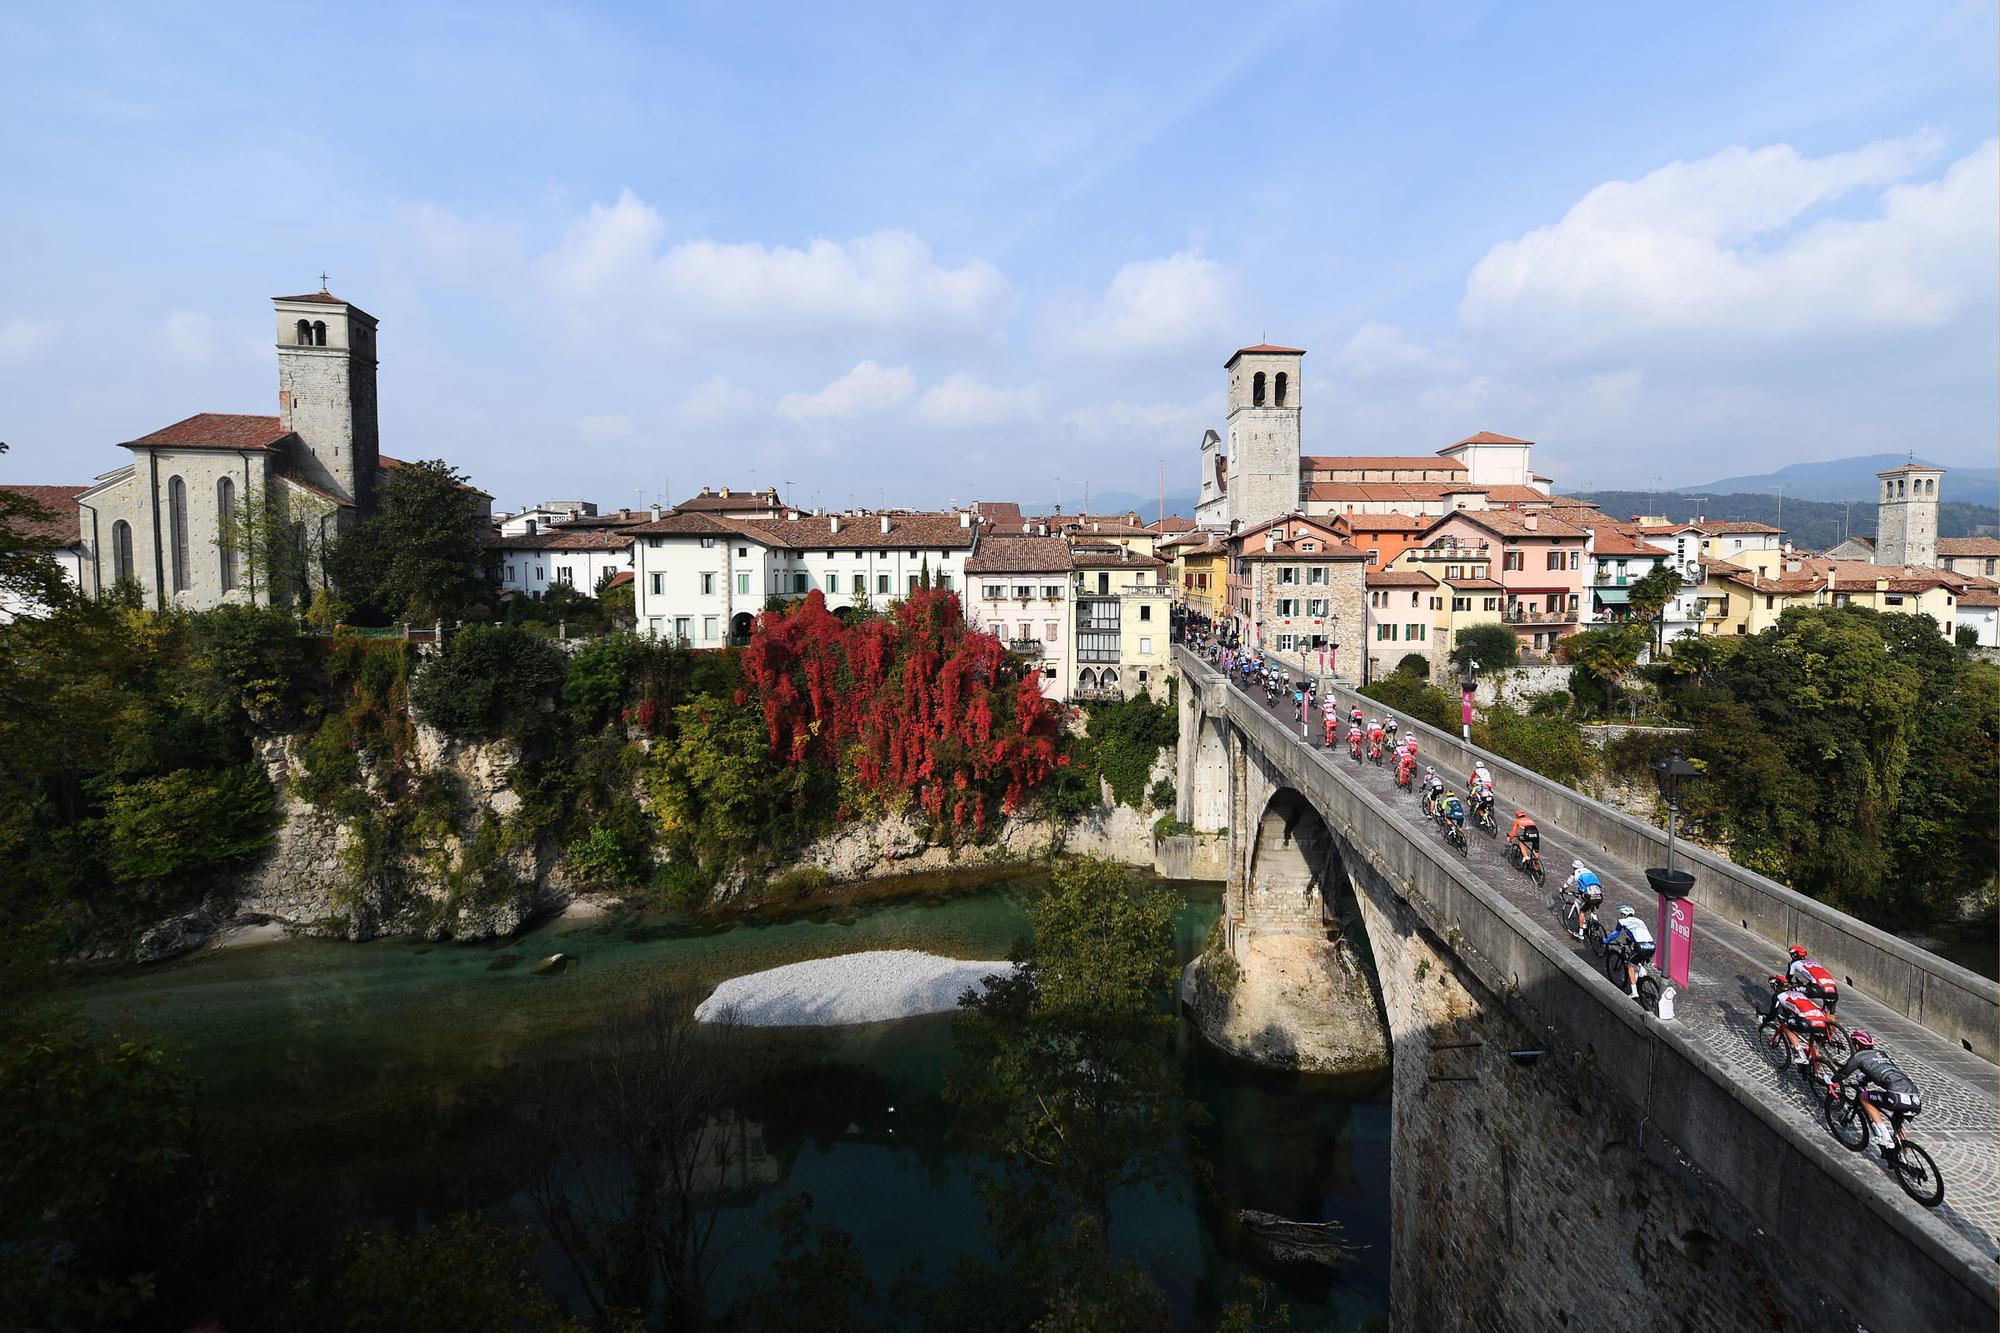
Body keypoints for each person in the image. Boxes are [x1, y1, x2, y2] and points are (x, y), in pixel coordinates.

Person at [1829, 1032, 1922, 1151]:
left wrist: (1831, 1080)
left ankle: (1885, 1137)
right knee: (1897, 1124)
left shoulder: (1859, 1056)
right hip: (1915, 1098)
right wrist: (1865, 1079)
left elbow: (1843, 1073)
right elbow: (1880, 1069)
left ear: (1857, 1045)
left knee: (1864, 1097)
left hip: (1897, 1096)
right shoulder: (1881, 1054)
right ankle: (1901, 1159)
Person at [1761, 975, 1831, 1066]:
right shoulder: (1799, 993)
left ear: (1775, 986)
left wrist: (1765, 1020)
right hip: (1822, 1020)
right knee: (1813, 1046)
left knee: (1785, 1026)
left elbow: (1773, 1014)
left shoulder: (1778, 995)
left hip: (1806, 1021)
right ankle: (1815, 1074)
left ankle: (1800, 1055)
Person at [1600, 905, 1657, 999]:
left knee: (1630, 965)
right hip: (1651, 945)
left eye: (1622, 914)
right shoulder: (1640, 921)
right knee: (1638, 959)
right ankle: (1640, 974)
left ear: (1624, 914)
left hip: (1640, 947)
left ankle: (1634, 992)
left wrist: (1606, 940)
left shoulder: (1622, 921)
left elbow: (1615, 934)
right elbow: (1638, 932)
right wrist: (1630, 940)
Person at [1783, 944, 1840, 1016]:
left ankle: (1793, 1016)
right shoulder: (1815, 962)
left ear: (1794, 955)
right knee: (1829, 1014)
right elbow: (1816, 976)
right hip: (1833, 989)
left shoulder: (1793, 963)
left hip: (1818, 988)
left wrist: (1789, 985)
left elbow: (1787, 980)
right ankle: (1831, 1025)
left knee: (1790, 990)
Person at [1562, 860, 1604, 939]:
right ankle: (1595, 920)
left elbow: (1567, 883)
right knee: (1591, 904)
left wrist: (1563, 890)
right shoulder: (1588, 871)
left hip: (1589, 895)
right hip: (1599, 895)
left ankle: (1581, 933)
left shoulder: (1575, 872)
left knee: (1582, 911)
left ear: (1574, 867)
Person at [1506, 808, 1540, 872]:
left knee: (1520, 840)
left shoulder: (1517, 820)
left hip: (1528, 834)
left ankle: (1526, 857)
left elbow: (1514, 832)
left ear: (1517, 815)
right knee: (1536, 851)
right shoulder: (1530, 819)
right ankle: (1537, 865)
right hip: (1536, 834)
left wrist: (1509, 838)